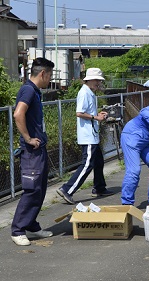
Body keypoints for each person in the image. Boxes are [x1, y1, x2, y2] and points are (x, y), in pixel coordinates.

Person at [11, 57, 55, 246]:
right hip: (31, 150)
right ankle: (17, 229)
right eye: (50, 75)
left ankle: (31, 226)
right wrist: (28, 138)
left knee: (40, 188)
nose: (50, 79)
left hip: (39, 149)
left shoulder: (35, 91)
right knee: (31, 190)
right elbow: (18, 113)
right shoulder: (28, 90)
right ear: (43, 73)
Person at [57, 68, 114, 205]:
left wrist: (99, 115)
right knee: (87, 164)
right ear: (90, 80)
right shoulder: (84, 93)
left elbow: (88, 112)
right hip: (87, 135)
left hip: (92, 134)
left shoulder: (90, 92)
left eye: (99, 81)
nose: (99, 83)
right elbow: (79, 113)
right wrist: (96, 117)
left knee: (98, 161)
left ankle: (99, 187)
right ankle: (67, 189)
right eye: (97, 81)